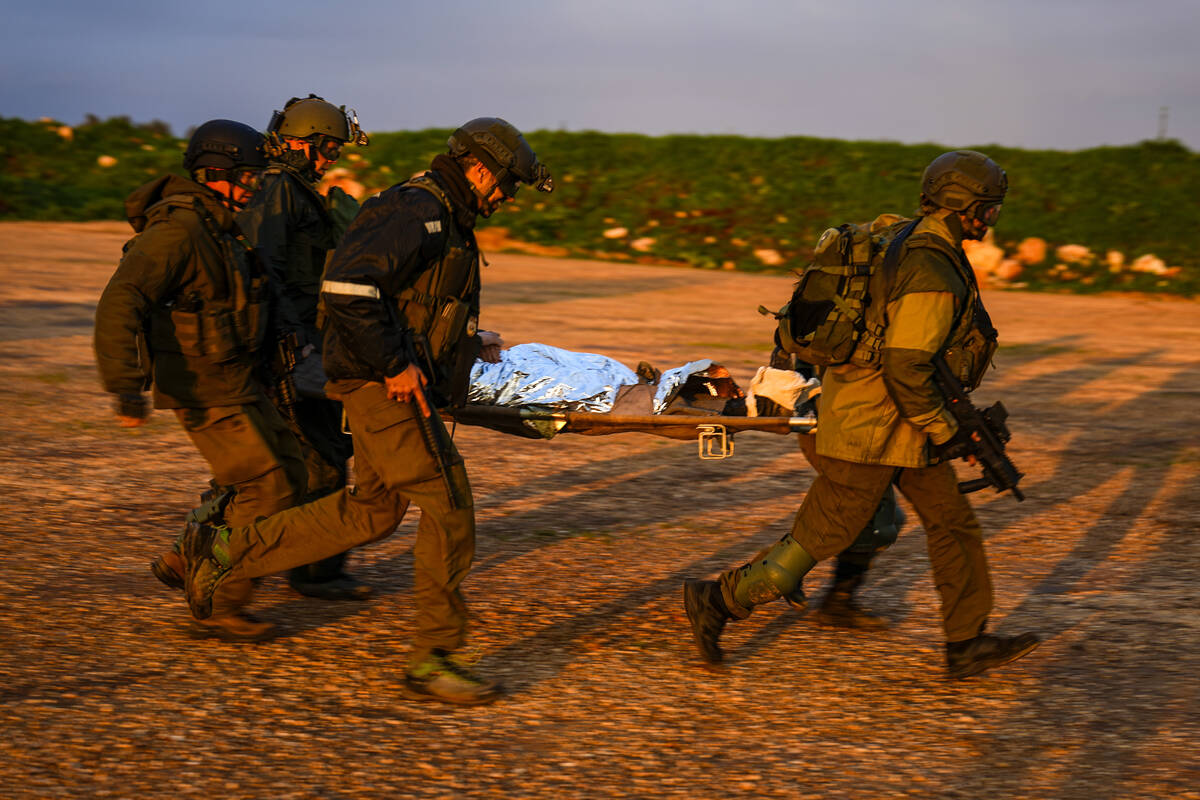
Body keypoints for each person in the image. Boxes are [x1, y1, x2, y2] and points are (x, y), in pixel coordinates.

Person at [175, 117, 553, 705]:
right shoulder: (418, 210)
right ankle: (434, 655)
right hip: (383, 385)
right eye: (506, 183)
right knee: (449, 504)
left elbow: (407, 301)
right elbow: (349, 289)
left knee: (372, 511)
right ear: (479, 168)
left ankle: (227, 552)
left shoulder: (444, 213)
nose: (507, 197)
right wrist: (394, 364)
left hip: (383, 378)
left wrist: (463, 341)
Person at [684, 150, 1040, 679]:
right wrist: (948, 429)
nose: (991, 219)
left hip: (900, 426)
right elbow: (906, 363)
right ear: (964, 205)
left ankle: (965, 643)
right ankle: (718, 601)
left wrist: (945, 430)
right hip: (872, 428)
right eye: (988, 208)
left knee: (953, 522)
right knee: (819, 537)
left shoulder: (907, 239)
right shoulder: (931, 267)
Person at [94, 120, 307, 642]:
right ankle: (219, 603)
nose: (256, 188)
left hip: (235, 378)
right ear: (216, 173)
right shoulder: (180, 230)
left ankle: (186, 554)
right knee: (266, 488)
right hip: (202, 386)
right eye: (249, 178)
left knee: (294, 470)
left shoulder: (220, 223)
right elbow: (122, 299)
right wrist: (125, 384)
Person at [237, 94, 373, 600]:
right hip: (287, 350)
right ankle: (219, 566)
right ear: (302, 143)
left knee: (325, 456)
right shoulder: (277, 191)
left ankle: (315, 569)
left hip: (304, 345)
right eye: (328, 150)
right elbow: (263, 272)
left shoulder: (293, 190)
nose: (329, 160)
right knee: (306, 464)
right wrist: (289, 344)